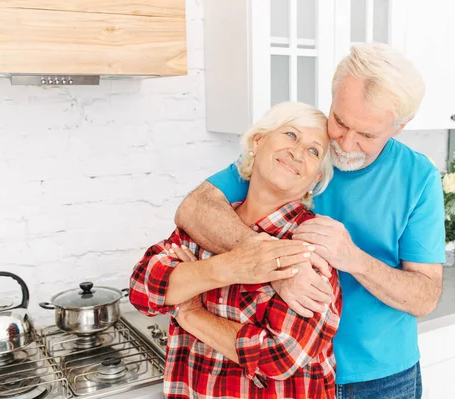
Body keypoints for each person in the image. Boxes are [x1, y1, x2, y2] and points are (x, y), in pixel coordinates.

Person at [174, 43, 445, 398]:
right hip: (292, 378)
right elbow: (195, 208)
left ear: (400, 126)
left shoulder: (418, 176)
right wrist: (279, 265)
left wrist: (355, 259)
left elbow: (425, 296)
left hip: (380, 379)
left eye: (366, 135)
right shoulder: (296, 149)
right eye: (340, 122)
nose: (345, 144)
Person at [129, 102, 342, 399]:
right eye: (291, 135)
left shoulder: (310, 243)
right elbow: (142, 289)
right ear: (258, 141)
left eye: (313, 151)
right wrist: (229, 266)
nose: (297, 152)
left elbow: (280, 356)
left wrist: (191, 313)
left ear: (314, 179)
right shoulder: (210, 222)